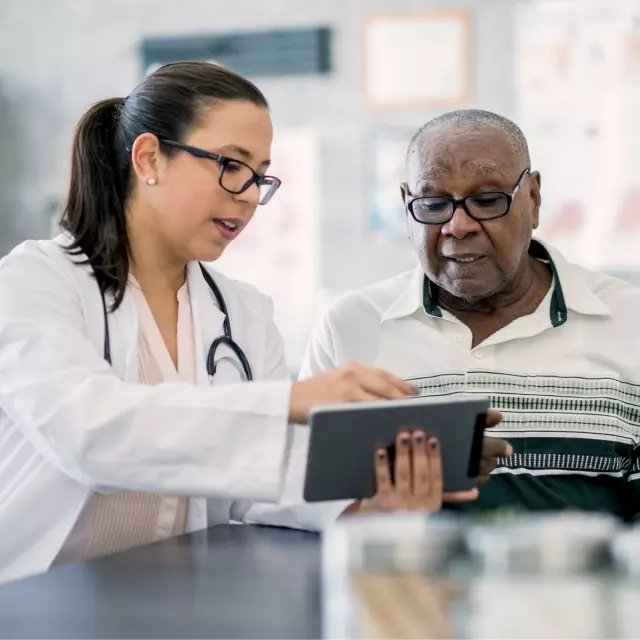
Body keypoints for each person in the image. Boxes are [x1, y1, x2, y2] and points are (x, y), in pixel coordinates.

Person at [0, 62, 458, 584]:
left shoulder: (242, 313)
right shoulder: (33, 281)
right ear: (150, 158)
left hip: (175, 594)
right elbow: (89, 433)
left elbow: (258, 481)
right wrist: (288, 402)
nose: (247, 194)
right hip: (34, 596)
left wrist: (370, 502)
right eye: (230, 164)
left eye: (260, 175)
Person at [299, 108, 640, 521]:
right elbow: (303, 510)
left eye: (487, 200)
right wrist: (388, 500)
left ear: (532, 199)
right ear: (407, 207)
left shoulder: (628, 322)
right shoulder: (350, 327)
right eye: (433, 203)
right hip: (405, 583)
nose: (458, 225)